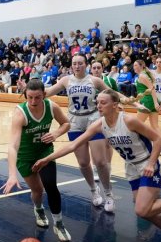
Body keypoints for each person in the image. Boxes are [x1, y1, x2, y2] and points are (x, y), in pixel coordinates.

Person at [33, 90, 161, 242]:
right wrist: (47, 159)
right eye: (97, 102)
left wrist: (151, 163)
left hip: (148, 164)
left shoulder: (129, 121)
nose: (98, 106)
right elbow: (73, 145)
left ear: (115, 105)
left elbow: (158, 139)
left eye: (103, 102)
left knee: (142, 210)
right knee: (148, 212)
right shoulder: (99, 124)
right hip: (132, 167)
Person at [1, 79, 72, 242]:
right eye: (30, 97)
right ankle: (39, 208)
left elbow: (66, 123)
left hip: (44, 152)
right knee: (38, 191)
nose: (33, 101)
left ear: (44, 95)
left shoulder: (51, 106)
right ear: (25, 95)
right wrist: (12, 175)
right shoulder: (20, 113)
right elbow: (12, 146)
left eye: (37, 97)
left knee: (51, 186)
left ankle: (59, 223)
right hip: (25, 157)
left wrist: (56, 134)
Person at [45, 53, 116, 211]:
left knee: (100, 161)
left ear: (86, 64)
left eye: (80, 63)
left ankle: (108, 193)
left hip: (93, 119)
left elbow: (112, 94)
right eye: (74, 63)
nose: (77, 66)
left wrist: (127, 101)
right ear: (71, 65)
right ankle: (93, 191)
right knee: (83, 163)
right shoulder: (65, 80)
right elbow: (48, 92)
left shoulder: (95, 80)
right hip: (75, 122)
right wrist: (30, 88)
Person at [132, 60, 161, 155]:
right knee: (155, 125)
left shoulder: (142, 76)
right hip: (149, 101)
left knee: (137, 125)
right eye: (133, 65)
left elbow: (152, 89)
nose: (134, 67)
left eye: (136, 65)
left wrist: (155, 103)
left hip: (148, 102)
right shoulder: (145, 74)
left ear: (141, 66)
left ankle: (141, 145)